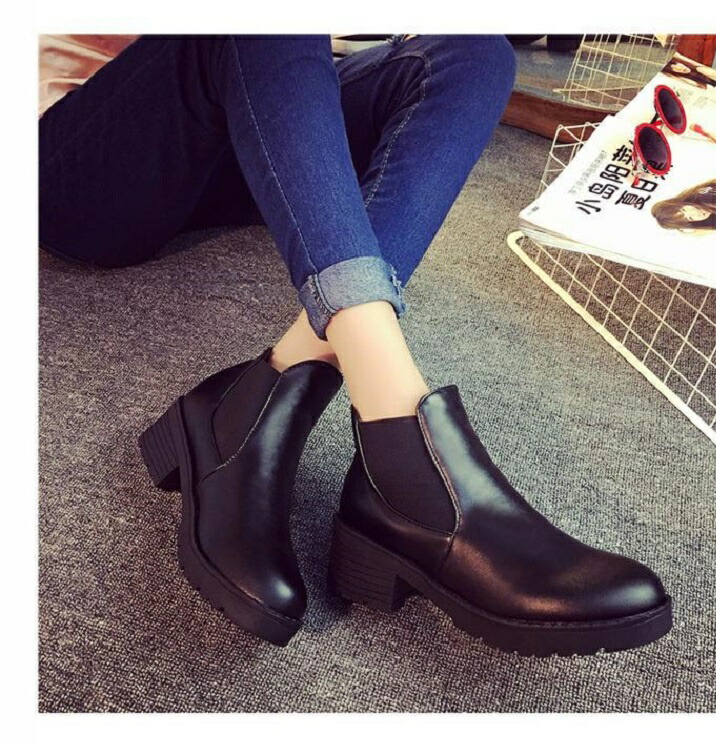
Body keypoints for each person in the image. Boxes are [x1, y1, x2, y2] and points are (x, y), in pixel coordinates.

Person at [39, 34, 672, 656]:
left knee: (473, 53)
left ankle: (261, 399)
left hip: (246, 128)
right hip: (95, 164)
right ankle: (400, 440)